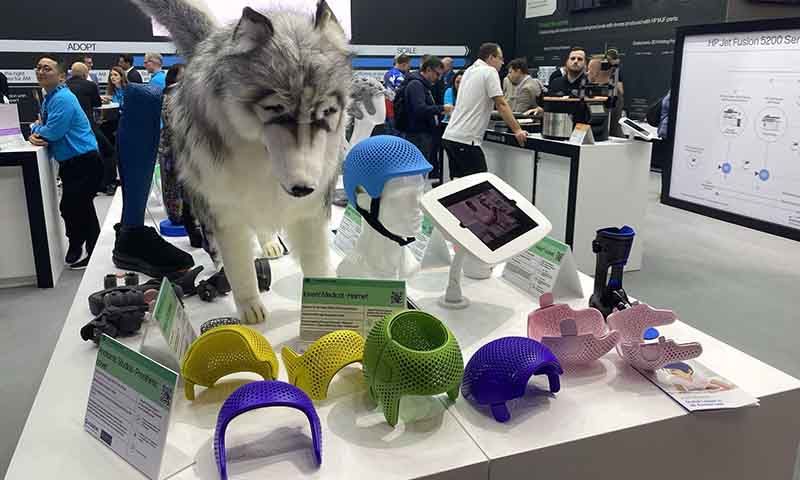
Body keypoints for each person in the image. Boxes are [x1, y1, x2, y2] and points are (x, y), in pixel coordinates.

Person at [29, 54, 103, 269]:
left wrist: (35, 128)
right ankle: (80, 245)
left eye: (47, 68)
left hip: (84, 162)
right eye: (39, 67)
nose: (41, 71)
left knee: (79, 208)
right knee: (75, 207)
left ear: (61, 76)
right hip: (72, 163)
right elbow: (47, 128)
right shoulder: (51, 97)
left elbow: (52, 131)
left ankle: (87, 250)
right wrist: (39, 130)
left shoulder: (62, 98)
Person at [442, 43, 527, 179]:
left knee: (459, 185)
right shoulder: (489, 71)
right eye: (500, 58)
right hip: (466, 140)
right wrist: (517, 130)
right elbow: (501, 104)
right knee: (479, 184)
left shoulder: (469, 71)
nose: (502, 62)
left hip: (450, 137)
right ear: (491, 57)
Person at [398, 56, 453, 164]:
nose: (438, 78)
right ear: (428, 70)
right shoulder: (416, 84)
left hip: (422, 133)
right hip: (418, 134)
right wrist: (441, 108)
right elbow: (420, 109)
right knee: (419, 167)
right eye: (437, 74)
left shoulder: (422, 84)